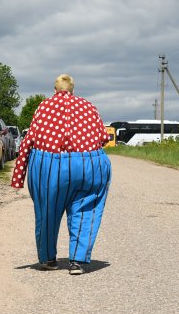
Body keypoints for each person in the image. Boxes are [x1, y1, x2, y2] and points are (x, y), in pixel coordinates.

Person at [10, 74, 112, 275]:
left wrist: (18, 177)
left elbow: (28, 141)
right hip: (88, 163)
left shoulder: (44, 106)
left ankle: (48, 259)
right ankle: (77, 261)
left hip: (50, 166)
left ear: (55, 89)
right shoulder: (88, 106)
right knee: (85, 210)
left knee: (47, 212)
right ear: (73, 90)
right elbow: (103, 137)